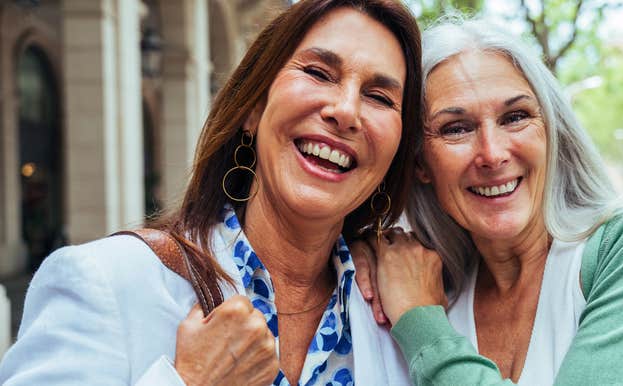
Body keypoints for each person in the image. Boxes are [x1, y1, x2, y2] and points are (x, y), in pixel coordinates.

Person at [0, 0, 422, 385]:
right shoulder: (103, 282)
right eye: (317, 73)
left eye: (379, 97)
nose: (346, 111)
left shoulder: (402, 315)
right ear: (253, 108)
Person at [353, 17, 623, 385]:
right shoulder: (429, 282)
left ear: (550, 130)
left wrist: (422, 324)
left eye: (515, 117)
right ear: (421, 163)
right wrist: (364, 251)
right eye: (456, 128)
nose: (492, 154)